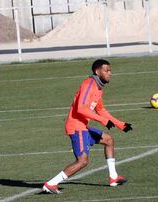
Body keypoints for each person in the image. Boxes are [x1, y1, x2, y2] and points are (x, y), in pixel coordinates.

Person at [43, 59, 133, 194]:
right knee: (82, 161)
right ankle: (51, 184)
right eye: (106, 70)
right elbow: (80, 109)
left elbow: (100, 110)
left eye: (110, 70)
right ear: (97, 71)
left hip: (83, 126)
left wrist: (119, 124)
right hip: (76, 127)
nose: (110, 73)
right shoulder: (89, 84)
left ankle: (113, 178)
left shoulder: (98, 87)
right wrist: (103, 121)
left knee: (108, 140)